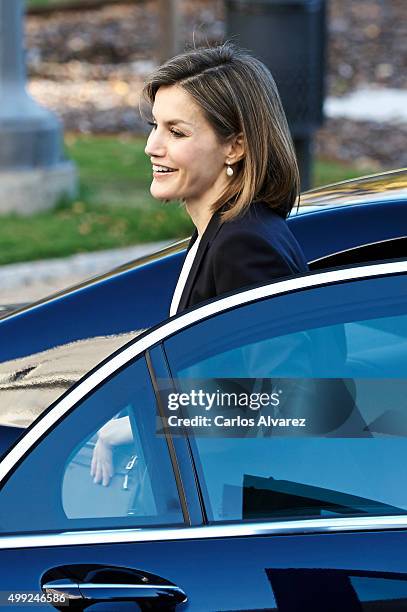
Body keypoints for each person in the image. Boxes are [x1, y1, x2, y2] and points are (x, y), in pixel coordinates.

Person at [91, 42, 308, 486]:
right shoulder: (225, 232)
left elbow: (291, 404)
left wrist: (142, 425)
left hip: (243, 512)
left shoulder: (243, 244)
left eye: (177, 131)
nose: (153, 146)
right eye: (155, 126)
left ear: (235, 147)